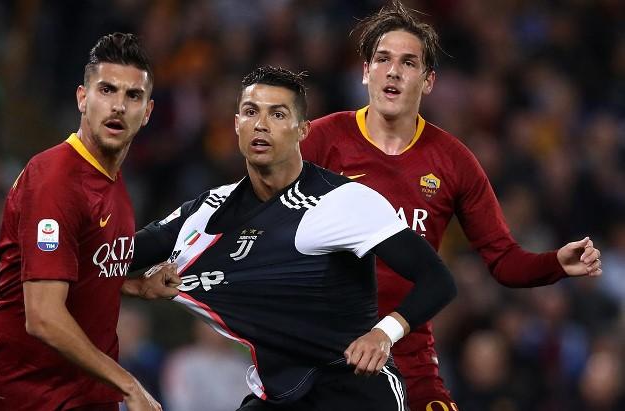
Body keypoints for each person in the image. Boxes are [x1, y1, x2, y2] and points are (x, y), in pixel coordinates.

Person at [299, 2, 604, 410]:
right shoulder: (321, 140)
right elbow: (256, 215)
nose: (393, 71)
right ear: (365, 71)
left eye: (408, 63)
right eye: (383, 59)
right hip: (321, 350)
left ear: (428, 81)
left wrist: (554, 263)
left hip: (406, 354)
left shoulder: (453, 161)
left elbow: (503, 260)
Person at [131, 66, 457, 411]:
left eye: (278, 114)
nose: (261, 124)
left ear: (303, 130)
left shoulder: (341, 201)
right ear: (237, 124)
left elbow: (437, 279)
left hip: (355, 391)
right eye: (251, 112)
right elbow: (113, 257)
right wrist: (134, 287)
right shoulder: (206, 211)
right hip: (280, 395)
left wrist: (384, 334)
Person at [0, 33, 180, 411]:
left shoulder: (112, 179)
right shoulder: (55, 179)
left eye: (133, 96)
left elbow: (79, 269)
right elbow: (43, 316)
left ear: (147, 112)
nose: (118, 106)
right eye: (107, 90)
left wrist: (135, 286)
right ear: (82, 98)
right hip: (18, 392)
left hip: (81, 392)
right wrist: (128, 384)